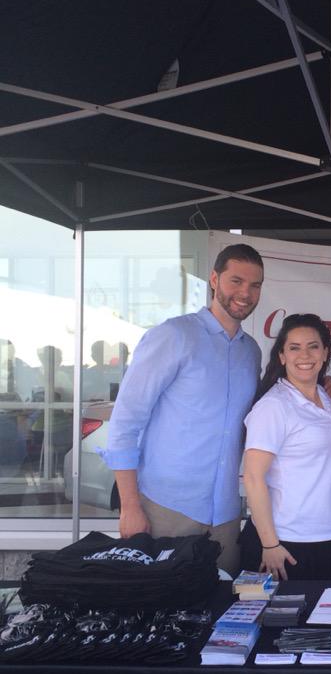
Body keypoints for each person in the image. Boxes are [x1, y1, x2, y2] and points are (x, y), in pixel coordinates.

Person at [102, 244, 264, 576]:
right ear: (215, 280)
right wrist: (130, 507)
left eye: (255, 285)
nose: (245, 293)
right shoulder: (174, 336)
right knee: (161, 614)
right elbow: (125, 422)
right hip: (166, 510)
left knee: (218, 613)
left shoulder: (253, 353)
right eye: (236, 281)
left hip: (225, 516)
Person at [241, 314, 331, 580]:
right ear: (282, 356)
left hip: (323, 537)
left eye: (313, 346)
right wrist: (270, 544)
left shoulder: (322, 396)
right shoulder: (274, 406)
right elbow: (253, 478)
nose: (305, 355)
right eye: (294, 347)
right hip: (284, 543)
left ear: (325, 353)